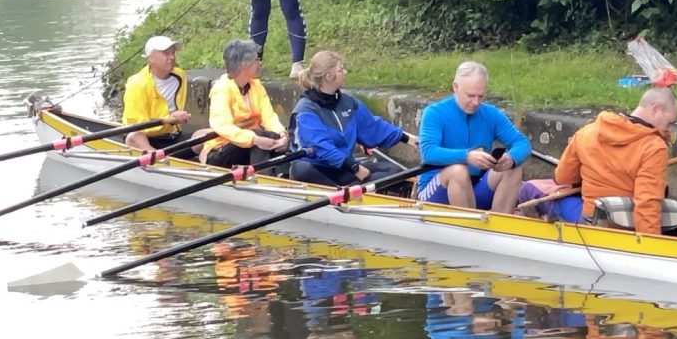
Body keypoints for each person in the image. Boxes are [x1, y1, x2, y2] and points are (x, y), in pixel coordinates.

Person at [553, 86, 677, 233]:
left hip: (590, 219)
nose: (670, 129)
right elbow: (647, 203)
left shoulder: (587, 132)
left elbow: (562, 177)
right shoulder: (654, 147)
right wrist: (650, 243)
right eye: (670, 122)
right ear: (655, 109)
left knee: (533, 192)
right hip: (624, 224)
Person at [289, 50, 417, 186]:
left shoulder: (349, 103)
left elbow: (373, 127)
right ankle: (343, 193)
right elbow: (320, 147)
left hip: (342, 168)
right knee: (301, 169)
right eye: (340, 70)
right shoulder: (305, 110)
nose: (345, 73)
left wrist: (406, 138)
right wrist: (354, 167)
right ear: (328, 77)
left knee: (394, 171)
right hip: (316, 170)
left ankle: (349, 192)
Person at [417, 61, 530, 212]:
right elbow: (428, 153)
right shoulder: (434, 113)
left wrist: (511, 158)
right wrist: (467, 156)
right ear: (455, 87)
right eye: (470, 96)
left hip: (475, 187)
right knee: (459, 171)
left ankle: (499, 225)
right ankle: (470, 227)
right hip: (436, 193)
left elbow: (522, 143)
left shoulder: (491, 114)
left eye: (480, 96)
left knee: (514, 169)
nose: (476, 102)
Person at [201, 39, 290, 168]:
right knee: (258, 135)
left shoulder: (256, 86)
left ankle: (281, 174)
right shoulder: (221, 89)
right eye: (257, 59)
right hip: (220, 149)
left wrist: (282, 135)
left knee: (276, 136)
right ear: (244, 64)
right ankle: (264, 176)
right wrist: (254, 139)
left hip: (249, 146)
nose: (260, 63)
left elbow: (269, 117)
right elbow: (223, 127)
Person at [122, 35, 201, 159]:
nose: (172, 57)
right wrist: (168, 119)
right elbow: (135, 124)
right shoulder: (137, 84)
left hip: (172, 137)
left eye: (173, 53)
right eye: (166, 53)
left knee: (206, 134)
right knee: (134, 136)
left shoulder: (180, 76)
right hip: (145, 138)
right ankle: (160, 160)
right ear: (151, 58)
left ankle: (209, 166)